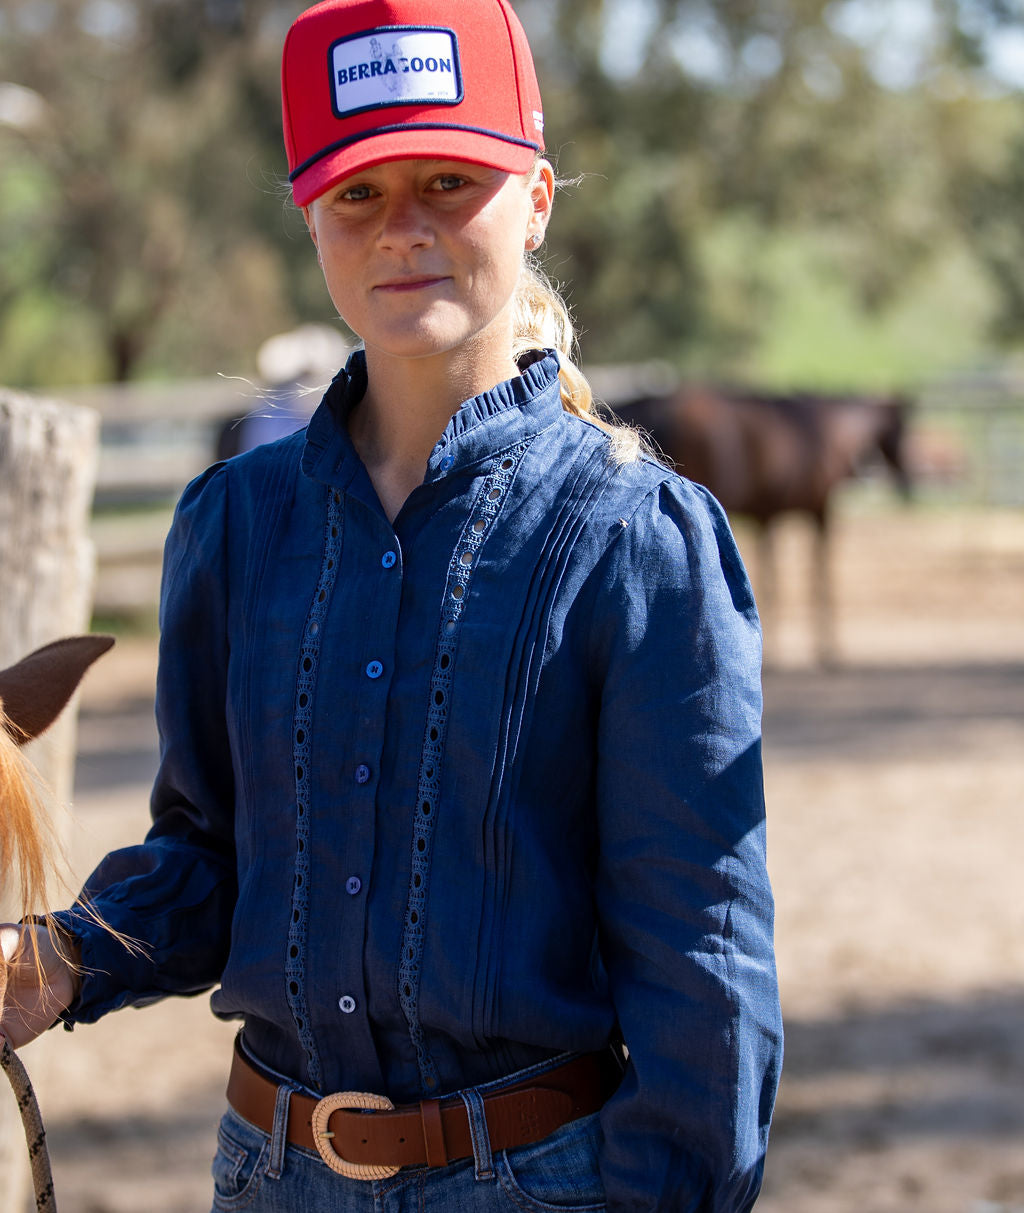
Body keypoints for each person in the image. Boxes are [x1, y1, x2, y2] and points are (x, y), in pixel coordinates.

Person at [0, 1, 783, 1208]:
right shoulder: (235, 523)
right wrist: (58, 960)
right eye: (356, 193)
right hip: (266, 1171)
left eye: (446, 179)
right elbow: (210, 856)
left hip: (537, 1182)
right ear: (310, 216)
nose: (400, 229)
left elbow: (703, 973)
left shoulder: (642, 542)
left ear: (536, 198)